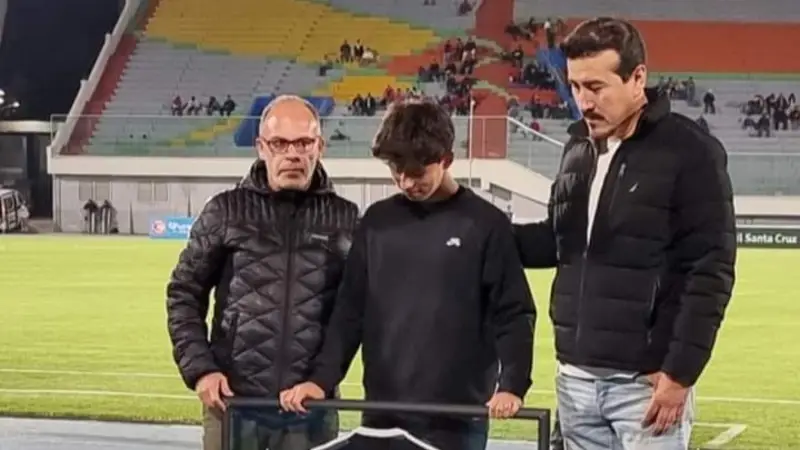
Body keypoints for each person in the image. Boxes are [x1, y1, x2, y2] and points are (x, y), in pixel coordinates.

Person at [514, 17, 736, 450]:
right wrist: (478, 230)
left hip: (645, 386)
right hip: (575, 381)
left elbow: (710, 271)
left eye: (596, 87)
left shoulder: (691, 152)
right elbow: (562, 243)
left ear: (638, 78)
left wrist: (680, 374)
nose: (583, 102)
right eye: (575, 86)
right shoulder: (578, 147)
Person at [280, 100, 537, 450]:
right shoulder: (376, 222)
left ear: (446, 160)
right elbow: (349, 313)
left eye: (417, 173)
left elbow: (513, 312)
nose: (405, 182)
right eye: (396, 171)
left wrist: (512, 385)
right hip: (382, 413)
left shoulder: (485, 224)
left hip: (457, 420)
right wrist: (321, 380)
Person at [166, 95, 360, 450]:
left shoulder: (345, 218)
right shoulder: (225, 211)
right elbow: (184, 293)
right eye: (280, 143)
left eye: (304, 143)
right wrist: (201, 369)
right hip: (233, 405)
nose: (293, 154)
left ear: (320, 146)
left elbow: (353, 315)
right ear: (260, 147)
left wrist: (322, 380)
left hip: (311, 409)